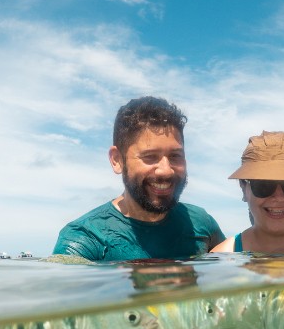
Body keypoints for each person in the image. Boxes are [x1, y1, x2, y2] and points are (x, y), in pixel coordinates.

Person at [52, 96, 225, 261]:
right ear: (117, 160)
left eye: (175, 156)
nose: (165, 171)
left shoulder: (201, 223)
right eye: (150, 157)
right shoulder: (84, 239)